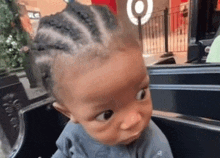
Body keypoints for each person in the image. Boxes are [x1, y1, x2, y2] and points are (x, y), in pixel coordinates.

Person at [31, 2, 173, 158]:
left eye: (141, 94)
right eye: (106, 114)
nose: (133, 119)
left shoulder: (153, 145)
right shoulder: (73, 133)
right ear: (69, 113)